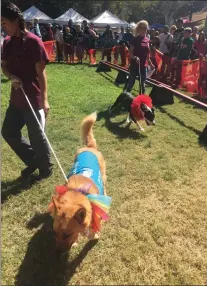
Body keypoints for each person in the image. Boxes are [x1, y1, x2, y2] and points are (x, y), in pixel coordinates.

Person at [1, 1, 53, 179]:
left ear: (15, 20)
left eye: (4, 22)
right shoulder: (7, 43)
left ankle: (46, 169)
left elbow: (42, 73)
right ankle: (34, 160)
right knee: (8, 131)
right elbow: (4, 66)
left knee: (36, 136)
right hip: (16, 99)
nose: (3, 26)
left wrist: (45, 100)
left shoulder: (34, 42)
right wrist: (10, 76)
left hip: (33, 97)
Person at [125, 20, 155, 94]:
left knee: (143, 84)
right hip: (135, 65)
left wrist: (150, 64)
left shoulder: (147, 40)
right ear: (139, 29)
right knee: (131, 82)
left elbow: (147, 54)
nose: (144, 29)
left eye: (145, 28)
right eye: (142, 28)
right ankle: (125, 95)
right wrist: (135, 57)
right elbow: (130, 53)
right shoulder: (135, 40)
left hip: (143, 66)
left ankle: (142, 100)